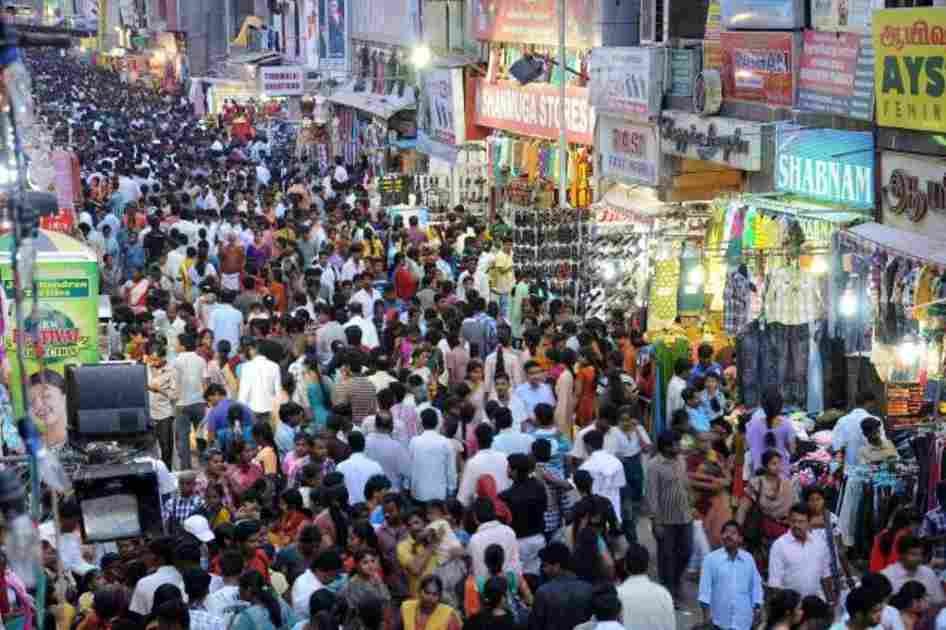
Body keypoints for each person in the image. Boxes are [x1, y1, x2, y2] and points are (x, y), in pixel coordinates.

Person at [645, 430, 692, 599]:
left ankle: (676, 580)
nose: (679, 447)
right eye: (676, 444)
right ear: (665, 447)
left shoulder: (681, 460)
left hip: (685, 516)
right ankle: (668, 592)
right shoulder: (653, 465)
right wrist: (655, 522)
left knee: (686, 551)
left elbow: (685, 484)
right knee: (666, 558)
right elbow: (651, 495)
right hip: (665, 519)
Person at [698, 521, 764, 630]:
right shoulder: (710, 559)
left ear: (740, 539)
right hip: (719, 622)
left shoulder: (748, 559)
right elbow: (704, 592)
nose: (728, 535)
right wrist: (707, 620)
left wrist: (757, 609)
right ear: (721, 536)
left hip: (743, 622)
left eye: (733, 533)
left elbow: (756, 586)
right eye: (725, 532)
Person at [735, 450, 795, 564]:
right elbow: (743, 508)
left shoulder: (787, 484)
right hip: (761, 532)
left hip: (783, 531)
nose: (778, 467)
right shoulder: (756, 483)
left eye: (779, 463)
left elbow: (793, 508)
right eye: (773, 463)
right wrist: (737, 531)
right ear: (765, 465)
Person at [768, 504, 834, 602]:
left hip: (816, 603)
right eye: (793, 521)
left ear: (809, 523)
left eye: (801, 522)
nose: (796, 525)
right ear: (789, 521)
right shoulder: (779, 546)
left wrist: (830, 601)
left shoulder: (820, 543)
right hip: (792, 608)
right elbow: (775, 583)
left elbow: (825, 575)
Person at [498, 453, 547, 576]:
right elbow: (544, 508)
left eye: (509, 467)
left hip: (518, 541)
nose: (506, 470)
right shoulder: (539, 488)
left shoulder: (506, 496)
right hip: (538, 538)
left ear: (515, 471)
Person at [615, 542, 674, 630]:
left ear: (625, 566)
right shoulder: (663, 593)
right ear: (648, 566)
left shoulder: (617, 594)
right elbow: (670, 626)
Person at [578, 429, 627, 527]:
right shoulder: (616, 462)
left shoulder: (585, 467)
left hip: (594, 516)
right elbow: (621, 487)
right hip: (614, 515)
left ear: (588, 446)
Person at [408, 409, 457, 502]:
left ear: (422, 423)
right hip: (439, 493)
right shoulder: (445, 442)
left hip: (419, 492)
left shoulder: (414, 442)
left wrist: (408, 486)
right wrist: (451, 489)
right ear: (437, 423)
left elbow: (409, 467)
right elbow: (451, 469)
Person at [746, 386, 795, 478]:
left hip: (759, 476)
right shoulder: (786, 424)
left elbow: (748, 446)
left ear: (762, 406)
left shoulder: (753, 425)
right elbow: (792, 450)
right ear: (781, 406)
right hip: (781, 476)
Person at [882, 535, 946, 605]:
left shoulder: (928, 573)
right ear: (901, 555)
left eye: (920, 554)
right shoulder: (886, 576)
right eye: (913, 554)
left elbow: (940, 602)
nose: (919, 558)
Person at [457, 424, 510, 506]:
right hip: (505, 507)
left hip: (485, 511)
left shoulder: (473, 462)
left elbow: (464, 497)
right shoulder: (504, 457)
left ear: (476, 440)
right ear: (492, 439)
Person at [468, 497, 520, 579]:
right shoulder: (509, 531)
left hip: (487, 588)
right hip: (511, 586)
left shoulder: (474, 540)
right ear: (494, 512)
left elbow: (477, 571)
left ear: (475, 517)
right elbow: (516, 565)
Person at [832, 391, 882, 469]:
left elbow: (837, 446)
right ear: (870, 402)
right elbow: (881, 443)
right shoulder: (875, 420)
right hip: (871, 469)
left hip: (849, 469)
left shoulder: (842, 420)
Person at [336, 431, 384, 505]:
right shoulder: (376, 466)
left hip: (352, 510)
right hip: (370, 508)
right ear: (364, 445)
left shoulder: (340, 467)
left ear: (349, 446)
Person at [871, 507, 920, 573]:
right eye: (915, 523)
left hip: (877, 573)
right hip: (888, 576)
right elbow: (895, 561)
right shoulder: (903, 537)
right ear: (909, 523)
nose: (917, 526)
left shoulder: (883, 533)